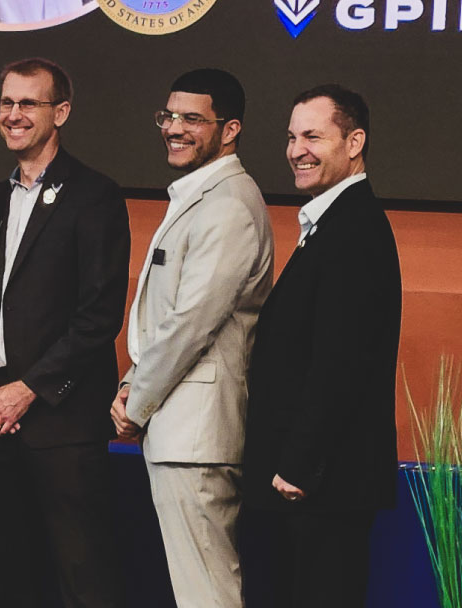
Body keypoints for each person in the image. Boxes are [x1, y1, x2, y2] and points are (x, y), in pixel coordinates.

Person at [0, 57, 130, 608]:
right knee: (3, 579)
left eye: (28, 103)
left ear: (61, 112)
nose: (13, 114)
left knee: (84, 581)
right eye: (6, 103)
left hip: (63, 425)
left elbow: (99, 315)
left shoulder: (94, 195)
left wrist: (26, 389)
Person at [110, 68, 273, 608]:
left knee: (208, 594)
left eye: (192, 119)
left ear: (229, 130)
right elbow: (168, 320)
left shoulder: (228, 204)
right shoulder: (202, 193)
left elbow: (190, 323)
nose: (174, 128)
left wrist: (136, 402)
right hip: (181, 432)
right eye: (169, 116)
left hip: (196, 438)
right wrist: (135, 385)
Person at [242, 85, 400, 607]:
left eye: (313, 136)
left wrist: (300, 464)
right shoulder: (332, 223)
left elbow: (341, 361)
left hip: (319, 486)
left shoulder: (353, 229)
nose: (296, 150)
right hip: (311, 482)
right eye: (291, 137)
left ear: (354, 142)